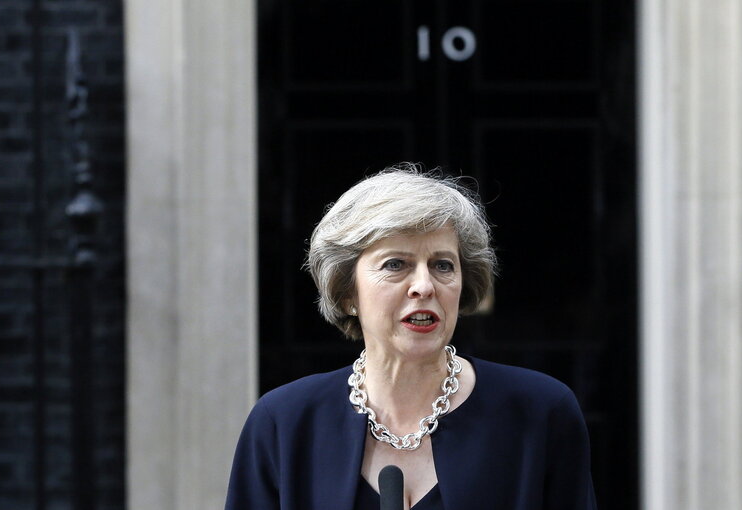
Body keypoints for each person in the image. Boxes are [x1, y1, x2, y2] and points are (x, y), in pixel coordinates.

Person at [225, 164, 597, 510]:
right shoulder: (283, 423)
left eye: (442, 265)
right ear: (347, 293)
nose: (424, 285)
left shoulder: (541, 412)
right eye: (395, 264)